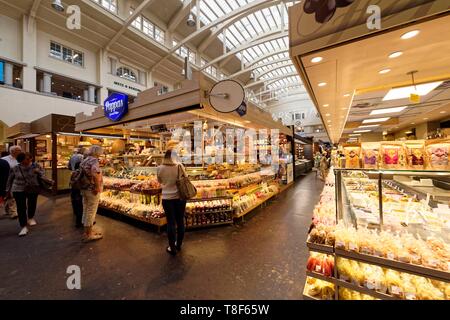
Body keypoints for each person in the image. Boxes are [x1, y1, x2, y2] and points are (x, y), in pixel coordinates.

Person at [157, 148, 187, 256]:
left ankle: (172, 248)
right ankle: (178, 245)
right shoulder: (179, 166)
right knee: (180, 221)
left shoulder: (160, 168)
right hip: (180, 198)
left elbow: (160, 181)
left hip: (167, 199)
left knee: (170, 223)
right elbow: (185, 178)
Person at [6, 152, 43, 236]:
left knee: (32, 203)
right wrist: (7, 190)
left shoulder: (35, 166)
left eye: (29, 159)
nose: (29, 160)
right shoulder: (15, 168)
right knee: (21, 207)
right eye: (26, 159)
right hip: (18, 189)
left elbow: (42, 174)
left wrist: (38, 172)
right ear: (21, 160)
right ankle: (23, 226)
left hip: (33, 188)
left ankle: (30, 217)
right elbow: (10, 179)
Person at [79, 145, 104, 242]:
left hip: (84, 188)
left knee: (86, 208)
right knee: (91, 211)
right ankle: (89, 235)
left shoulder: (85, 160)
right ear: (98, 152)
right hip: (91, 189)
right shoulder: (94, 161)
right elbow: (95, 174)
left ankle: (87, 231)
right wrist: (97, 187)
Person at [2, 145, 22, 219]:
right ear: (12, 151)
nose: (20, 152)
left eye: (20, 150)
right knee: (11, 196)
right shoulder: (4, 159)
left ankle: (11, 210)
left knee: (12, 197)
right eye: (18, 150)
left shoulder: (20, 159)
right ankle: (13, 212)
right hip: (8, 180)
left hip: (18, 181)